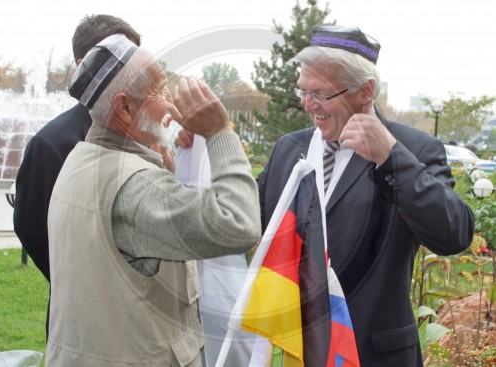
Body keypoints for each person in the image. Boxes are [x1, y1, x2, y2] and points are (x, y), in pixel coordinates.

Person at [176, 25, 475, 366]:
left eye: (320, 94)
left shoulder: (414, 149)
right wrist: (207, 144)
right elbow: (240, 223)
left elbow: (455, 234)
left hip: (370, 355)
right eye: (303, 90)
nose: (307, 104)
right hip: (287, 350)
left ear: (365, 91)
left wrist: (391, 157)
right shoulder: (289, 149)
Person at [45, 34, 261, 366]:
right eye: (159, 89)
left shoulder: (80, 159)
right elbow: (239, 225)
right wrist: (220, 132)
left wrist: (161, 164)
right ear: (125, 107)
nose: (172, 102)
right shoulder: (136, 186)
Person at [13, 13, 141, 338]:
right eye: (122, 61)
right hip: (82, 323)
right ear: (85, 64)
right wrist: (85, 284)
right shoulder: (52, 143)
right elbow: (33, 228)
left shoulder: (141, 135)